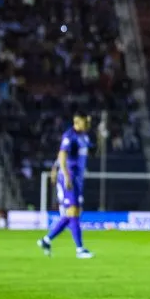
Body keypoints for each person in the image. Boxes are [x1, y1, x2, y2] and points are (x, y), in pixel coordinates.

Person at [37, 111, 94, 259]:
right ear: (77, 121)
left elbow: (93, 151)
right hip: (69, 177)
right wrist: (65, 175)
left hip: (78, 178)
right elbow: (62, 155)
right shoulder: (70, 136)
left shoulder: (84, 137)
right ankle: (80, 249)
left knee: (72, 214)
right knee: (73, 211)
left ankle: (46, 240)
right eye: (84, 122)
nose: (86, 124)